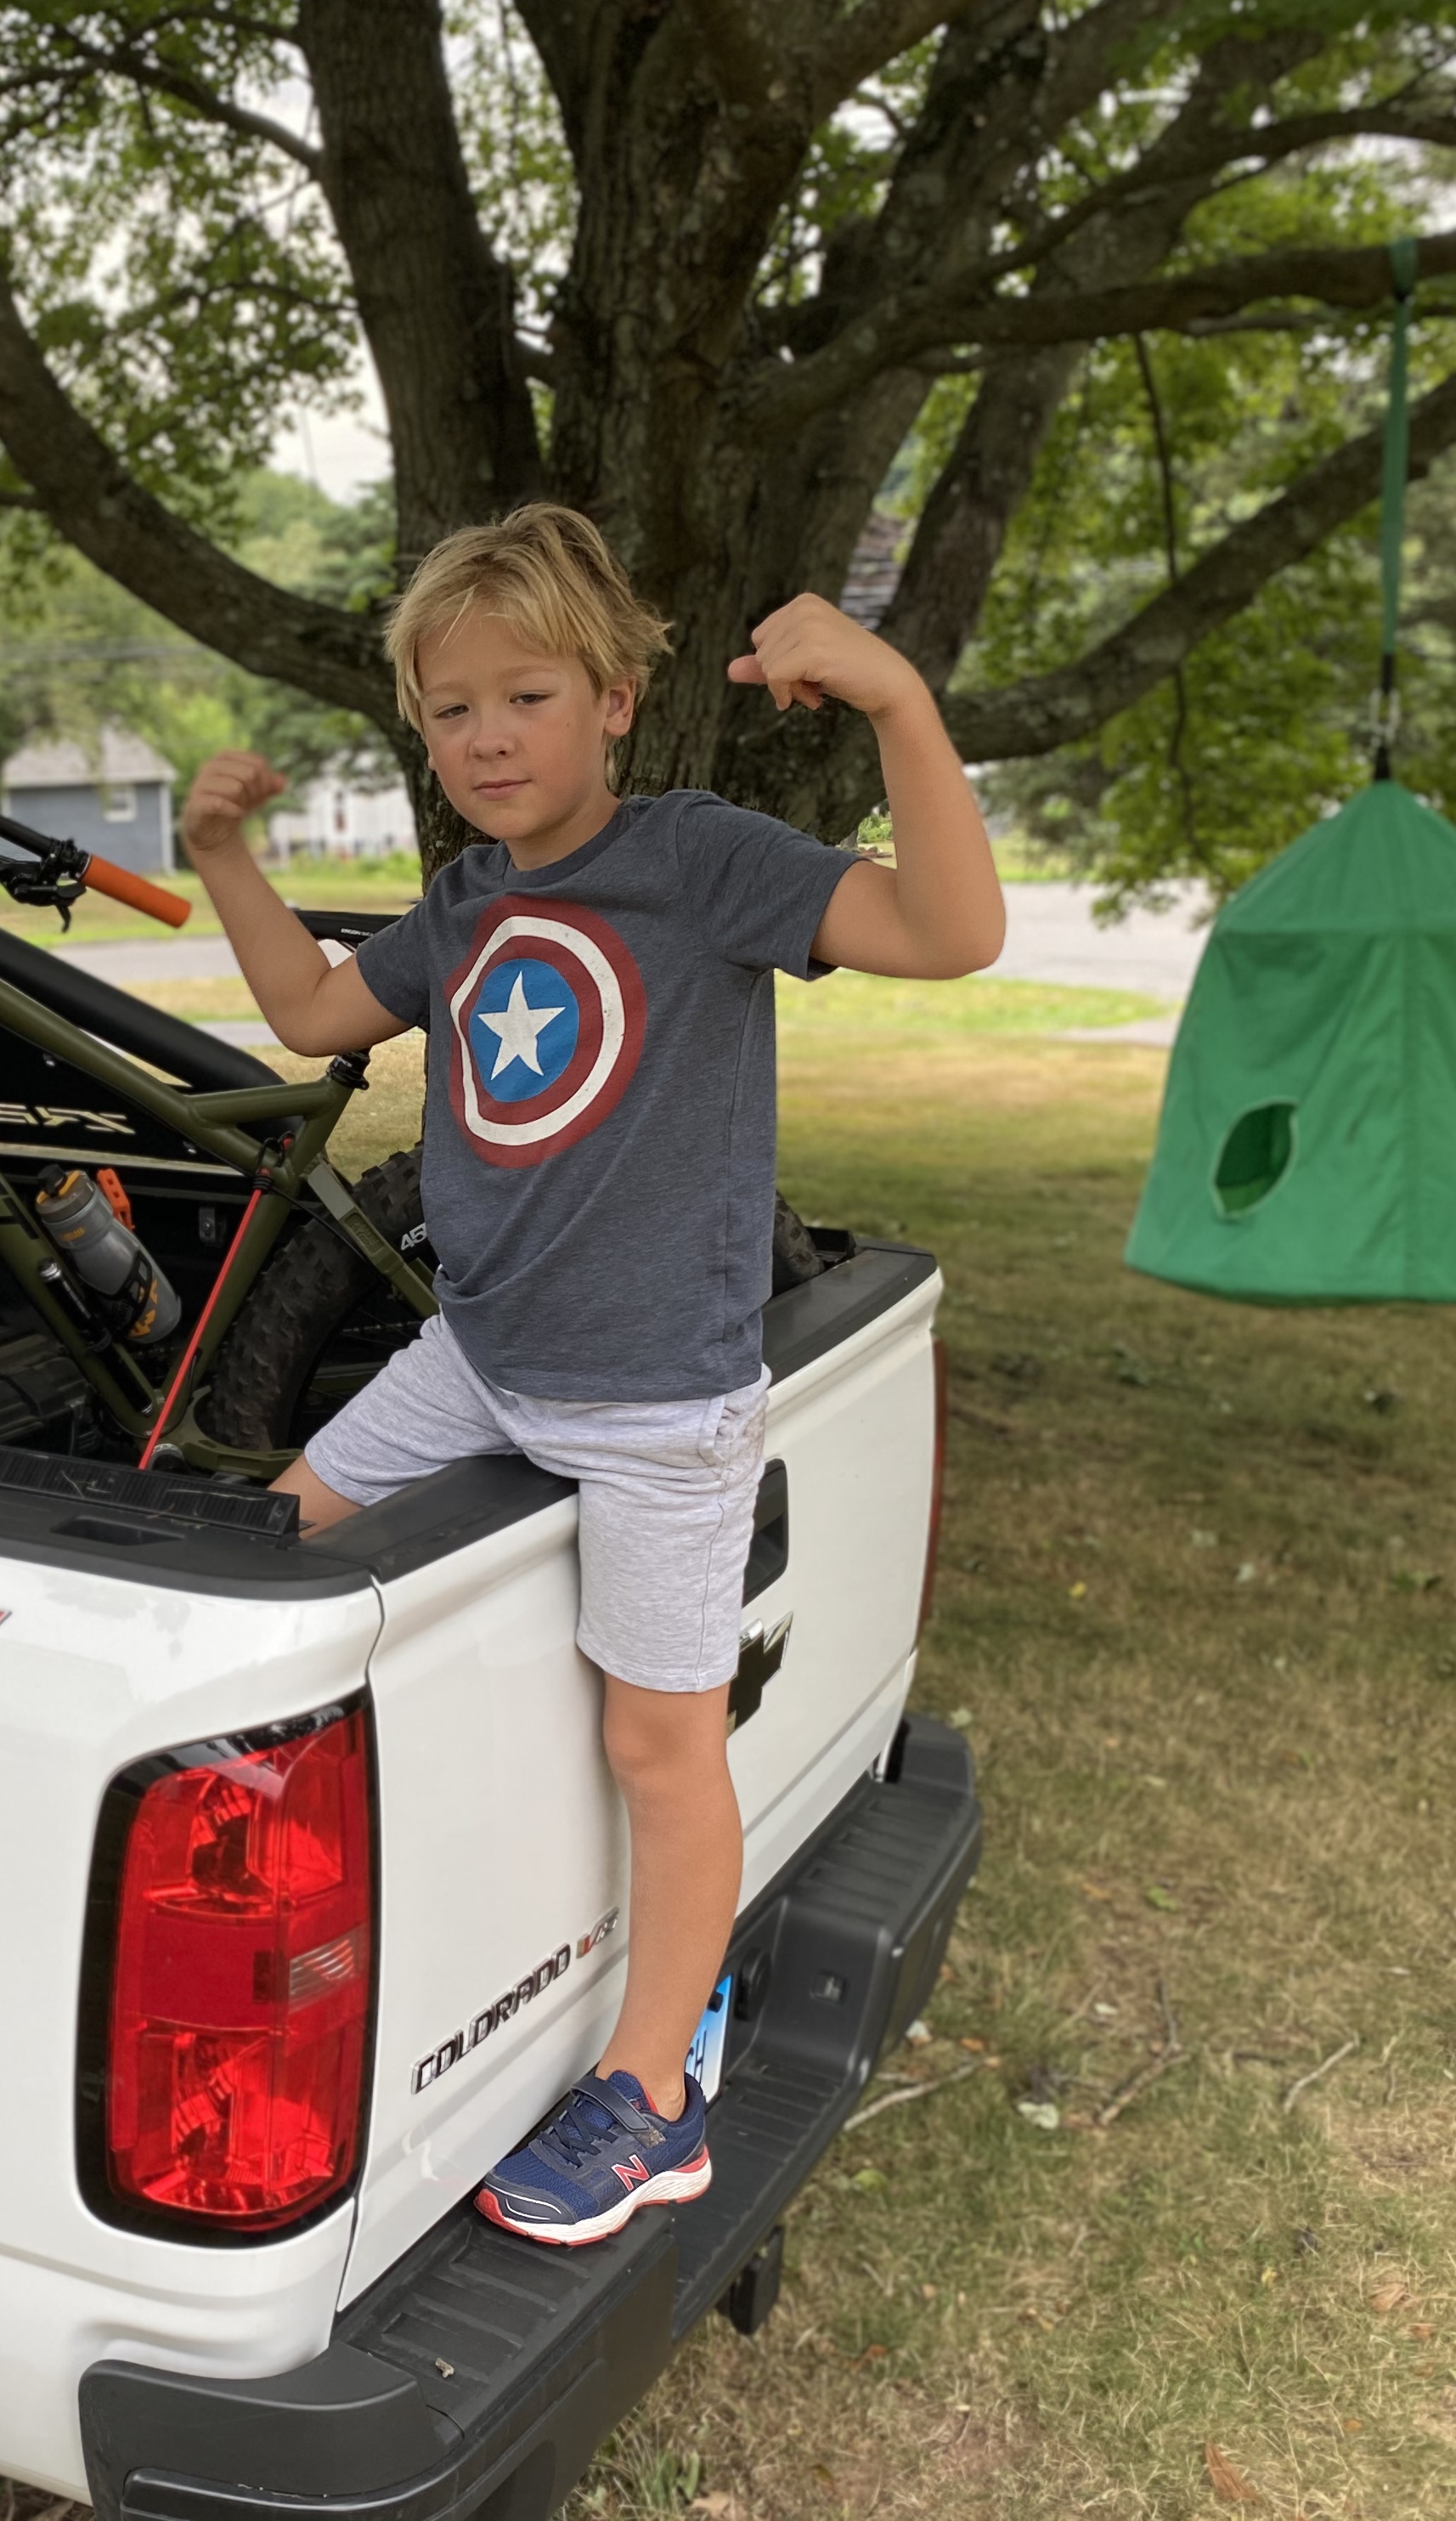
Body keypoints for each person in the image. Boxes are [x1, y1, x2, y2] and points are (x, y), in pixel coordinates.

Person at [177, 503, 1003, 2246]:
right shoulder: (467, 902)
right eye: (451, 710)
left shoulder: (697, 860)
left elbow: (951, 930)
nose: (487, 738)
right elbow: (314, 1018)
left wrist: (895, 702)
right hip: (478, 1358)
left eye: (528, 696)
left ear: (617, 699)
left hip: (655, 1408)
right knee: (267, 1552)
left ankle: (652, 2096)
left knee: (658, 1740)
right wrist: (224, 858)